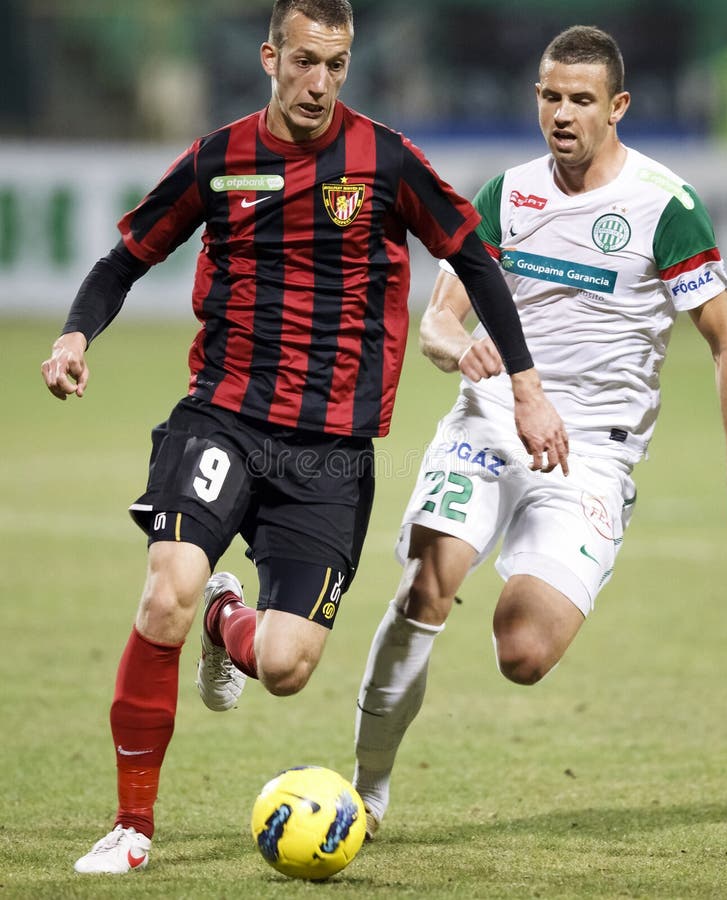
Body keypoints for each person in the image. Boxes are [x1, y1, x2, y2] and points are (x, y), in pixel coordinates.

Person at [41, 0, 567, 876]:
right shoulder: (219, 159)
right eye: (305, 62)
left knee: (284, 666)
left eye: (337, 64)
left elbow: (475, 258)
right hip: (225, 416)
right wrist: (73, 334)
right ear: (269, 58)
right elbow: (124, 257)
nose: (320, 82)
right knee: (164, 589)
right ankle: (133, 826)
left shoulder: (385, 159)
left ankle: (225, 616)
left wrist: (526, 384)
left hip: (330, 450)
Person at [352, 24, 727, 839]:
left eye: (581, 99)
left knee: (523, 653)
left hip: (591, 456)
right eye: (550, 96)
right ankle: (366, 788)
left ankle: (553, 564)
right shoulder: (505, 197)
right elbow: (436, 323)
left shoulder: (665, 206)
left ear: (617, 106)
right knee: (426, 584)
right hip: (490, 425)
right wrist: (458, 347)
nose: (562, 113)